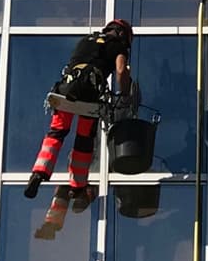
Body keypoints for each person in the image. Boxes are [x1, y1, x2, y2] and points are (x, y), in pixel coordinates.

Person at [25, 17, 134, 239]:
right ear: (124, 35)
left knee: (56, 133)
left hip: (65, 90)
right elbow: (121, 72)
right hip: (89, 96)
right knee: (84, 140)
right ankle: (77, 186)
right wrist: (126, 93)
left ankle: (38, 172)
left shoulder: (87, 40)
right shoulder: (118, 46)